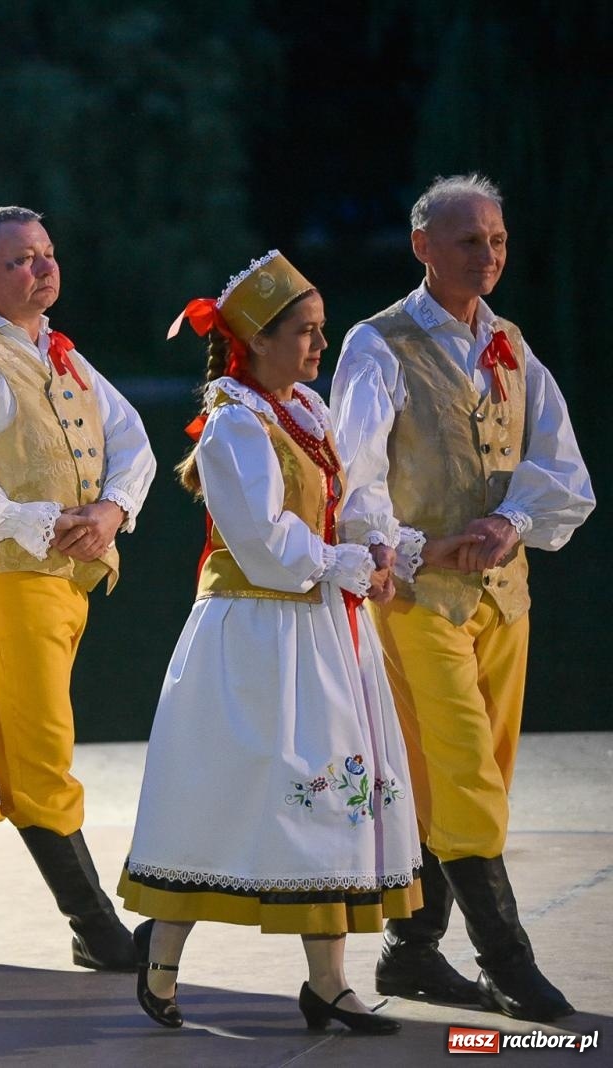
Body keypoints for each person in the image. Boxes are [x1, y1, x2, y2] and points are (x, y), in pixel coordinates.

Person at [119, 250, 422, 1035]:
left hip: (319, 626)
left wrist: (373, 546)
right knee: (228, 791)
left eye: (322, 329)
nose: (320, 344)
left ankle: (329, 983)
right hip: (254, 630)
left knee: (326, 793)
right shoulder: (234, 424)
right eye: (305, 331)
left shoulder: (307, 412)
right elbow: (262, 540)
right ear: (257, 339)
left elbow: (347, 497)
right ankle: (161, 960)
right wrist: (341, 563)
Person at [331, 174, 594, 1023]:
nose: (489, 255)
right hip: (417, 598)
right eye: (470, 240)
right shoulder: (379, 344)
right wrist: (411, 547)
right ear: (423, 247)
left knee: (466, 775)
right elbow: (355, 479)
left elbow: (560, 465)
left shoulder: (509, 343)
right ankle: (510, 963)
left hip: (504, 597)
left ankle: (410, 951)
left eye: (498, 240)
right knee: (465, 772)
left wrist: (512, 521)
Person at [0, 206, 156, 969]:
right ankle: (95, 927)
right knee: (38, 755)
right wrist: (46, 520)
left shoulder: (62, 354)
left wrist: (112, 510)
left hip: (59, 585)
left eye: (47, 254)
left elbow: (134, 442)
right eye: (23, 259)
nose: (44, 268)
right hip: (2, 585)